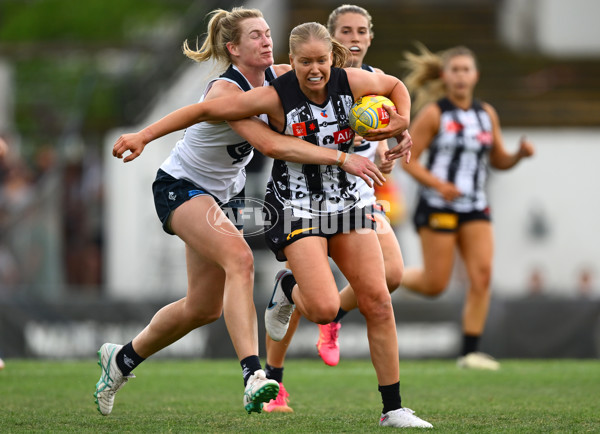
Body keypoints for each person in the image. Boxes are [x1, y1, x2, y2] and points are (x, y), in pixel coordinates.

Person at [108, 18, 429, 429]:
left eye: (321, 61)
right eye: (303, 61)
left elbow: (396, 86)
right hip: (271, 200)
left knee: (379, 299)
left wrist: (401, 125)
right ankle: (261, 352)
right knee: (310, 299)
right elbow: (244, 130)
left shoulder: (342, 79)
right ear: (285, 61)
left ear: (333, 58)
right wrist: (143, 135)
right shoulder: (268, 93)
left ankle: (394, 409)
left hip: (338, 199)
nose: (314, 70)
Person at [262, 4, 406, 414]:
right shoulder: (303, 76)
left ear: (370, 38)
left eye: (361, 30)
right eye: (345, 30)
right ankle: (275, 379)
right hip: (304, 199)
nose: (354, 37)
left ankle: (335, 321)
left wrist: (393, 143)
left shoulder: (370, 82)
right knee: (314, 291)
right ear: (329, 39)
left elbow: (386, 124)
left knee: (388, 280)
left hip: (357, 194)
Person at [395, 44, 535, 370]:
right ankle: (387, 275)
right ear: (445, 75)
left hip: (475, 205)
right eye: (454, 69)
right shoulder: (434, 113)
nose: (460, 75)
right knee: (435, 284)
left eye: (466, 69)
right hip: (438, 205)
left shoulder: (486, 114)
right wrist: (438, 184)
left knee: (482, 276)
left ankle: (469, 352)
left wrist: (518, 155)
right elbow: (408, 161)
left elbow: (498, 159)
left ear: (475, 75)